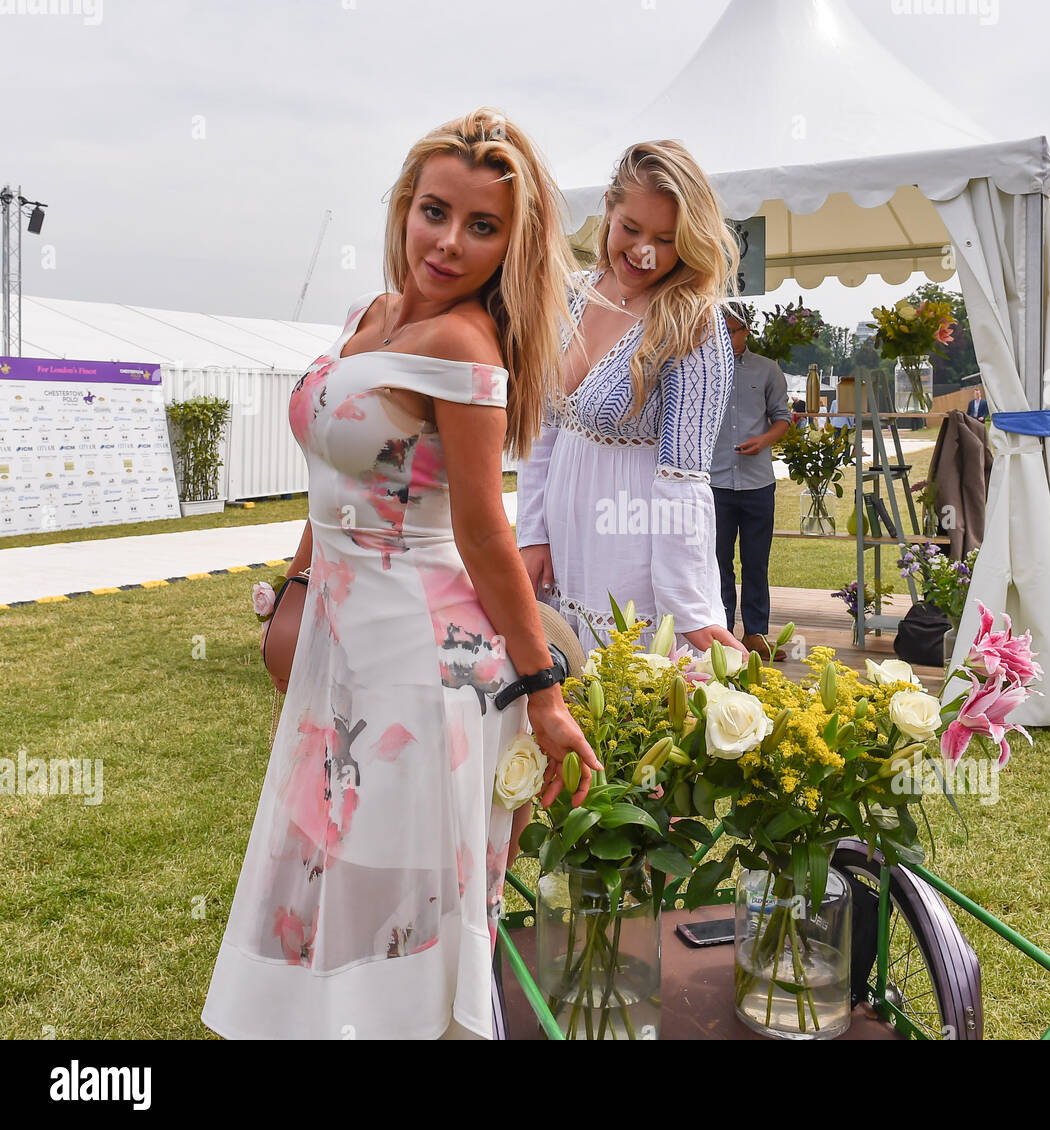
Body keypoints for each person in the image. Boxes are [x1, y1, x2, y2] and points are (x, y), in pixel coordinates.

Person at [202, 108, 601, 1042]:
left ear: (516, 245)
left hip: (424, 664)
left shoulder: (467, 348)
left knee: (396, 897)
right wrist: (296, 590)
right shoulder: (370, 318)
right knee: (328, 873)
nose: (449, 242)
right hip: (343, 649)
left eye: (483, 227)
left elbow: (483, 533)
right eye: (435, 211)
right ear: (404, 208)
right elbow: (334, 483)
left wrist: (544, 690)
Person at [515, 140, 744, 658]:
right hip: (560, 558)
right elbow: (540, 429)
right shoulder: (572, 294)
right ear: (607, 212)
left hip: (635, 563)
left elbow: (682, 480)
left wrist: (687, 609)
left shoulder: (693, 322)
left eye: (666, 239)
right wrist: (531, 534)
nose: (644, 252)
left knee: (628, 714)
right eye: (631, 229)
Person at [710, 301, 791, 660]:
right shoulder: (704, 370)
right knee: (717, 561)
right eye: (720, 330)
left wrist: (765, 440)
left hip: (758, 483)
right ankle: (722, 633)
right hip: (714, 483)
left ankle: (756, 634)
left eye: (733, 330)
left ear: (746, 331)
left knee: (756, 561)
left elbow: (783, 418)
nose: (726, 338)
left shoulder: (767, 370)